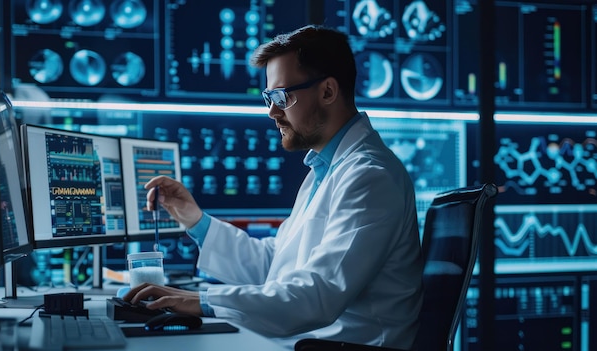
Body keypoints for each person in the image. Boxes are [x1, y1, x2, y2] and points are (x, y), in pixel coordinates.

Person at [124, 24, 423, 350]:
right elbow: (275, 265)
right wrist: (195, 221)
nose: (272, 112)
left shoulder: (370, 176)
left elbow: (317, 295)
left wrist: (201, 300)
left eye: (282, 96)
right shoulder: (325, 169)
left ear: (327, 92)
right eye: (269, 97)